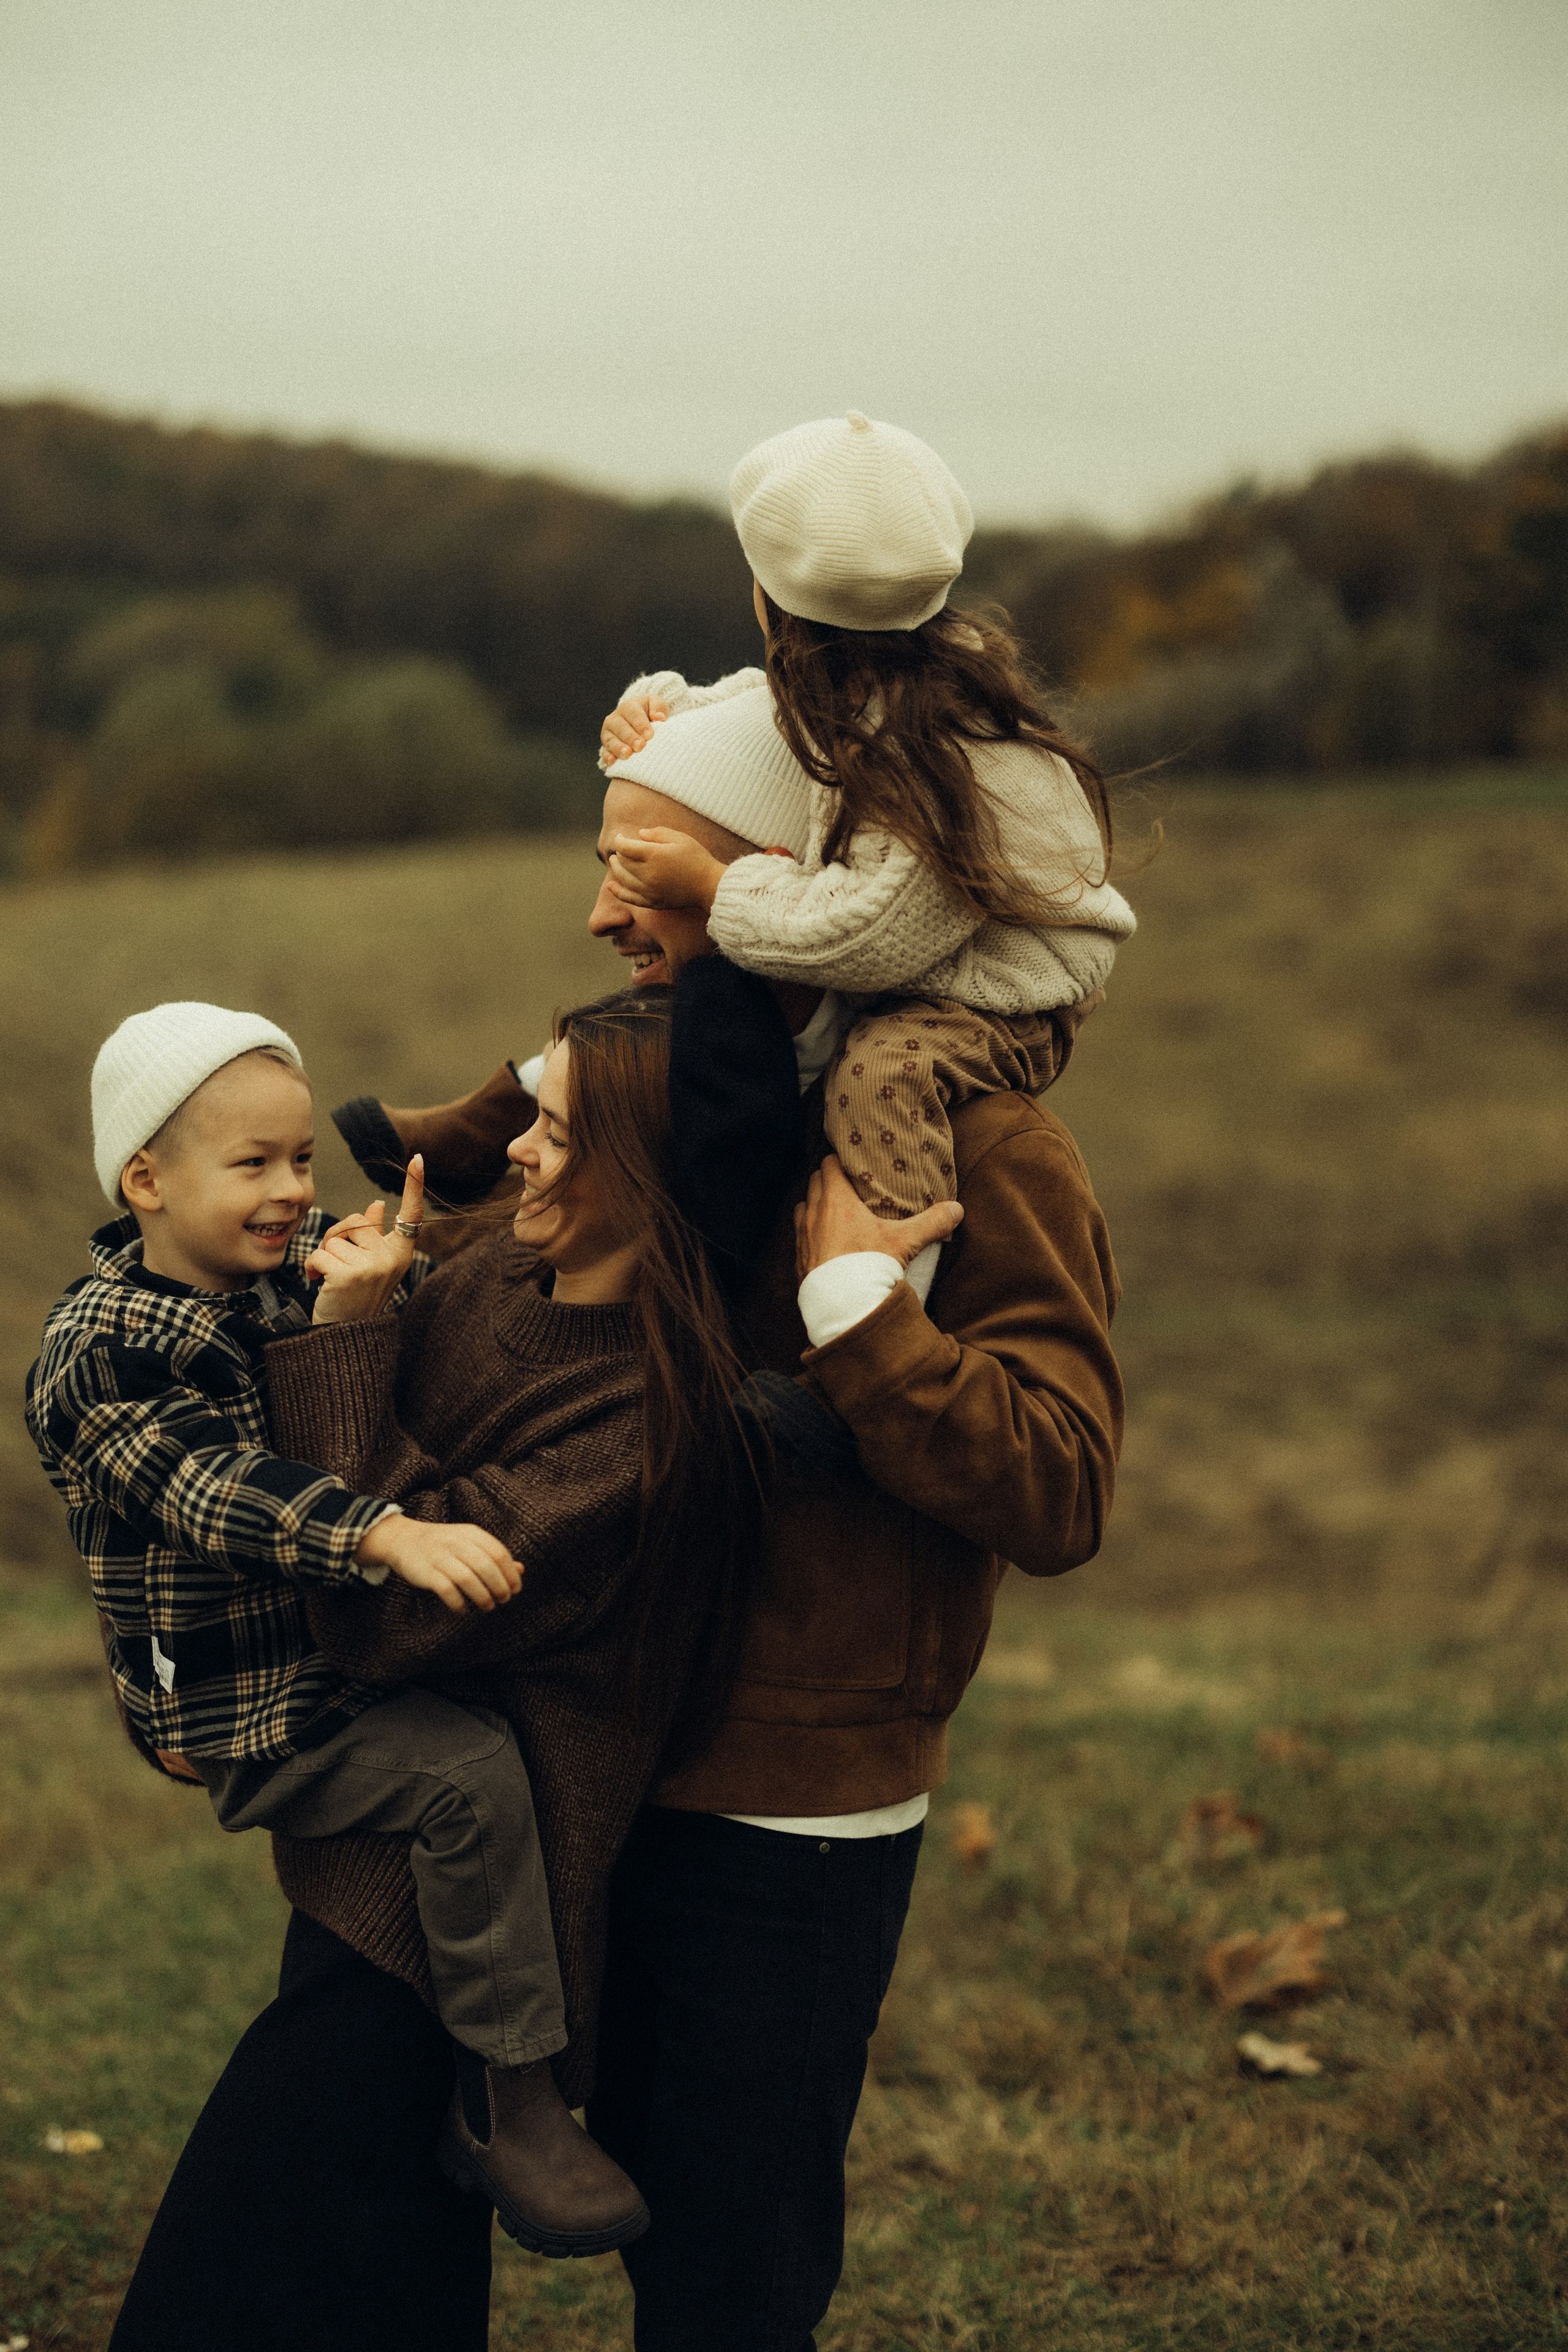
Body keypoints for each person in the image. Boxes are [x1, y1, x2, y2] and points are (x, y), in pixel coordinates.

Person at [340, 759, 1125, 2343]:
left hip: (789, 1810)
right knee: (453, 2194)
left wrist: (863, 1321)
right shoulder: (646, 1104)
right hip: (569, 1759)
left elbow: (1060, 1487)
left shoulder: (976, 1145)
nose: (600, 912)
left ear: (783, 877)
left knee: (727, 2266)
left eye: (641, 870)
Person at [102, 984, 880, 2352]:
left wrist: (348, 1340)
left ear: (646, 1174)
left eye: (558, 1132)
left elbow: (389, 1616)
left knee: (254, 2264)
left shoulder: (651, 1428)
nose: (516, 1145)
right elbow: (261, 1445)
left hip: (465, 1889)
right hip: (377, 1826)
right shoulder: (490, 1265)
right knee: (362, 2261)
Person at [24, 999, 650, 2259]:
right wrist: (386, 1534)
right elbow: (217, 1491)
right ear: (145, 1180)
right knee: (469, 1779)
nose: (289, 1192)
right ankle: (510, 2095)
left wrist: (390, 1265)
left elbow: (374, 1286)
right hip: (245, 1707)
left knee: (481, 1759)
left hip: (303, 1665)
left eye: (301, 1159)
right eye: (251, 1165)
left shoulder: (265, 1272)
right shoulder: (108, 1352)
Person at [597, 409, 1137, 1311]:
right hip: (934, 965)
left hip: (1005, 993)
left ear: (767, 595)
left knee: (878, 1079)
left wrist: (715, 884)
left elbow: (870, 939)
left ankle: (869, 1303)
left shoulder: (928, 748)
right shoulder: (876, 678)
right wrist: (657, 710)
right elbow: (753, 705)